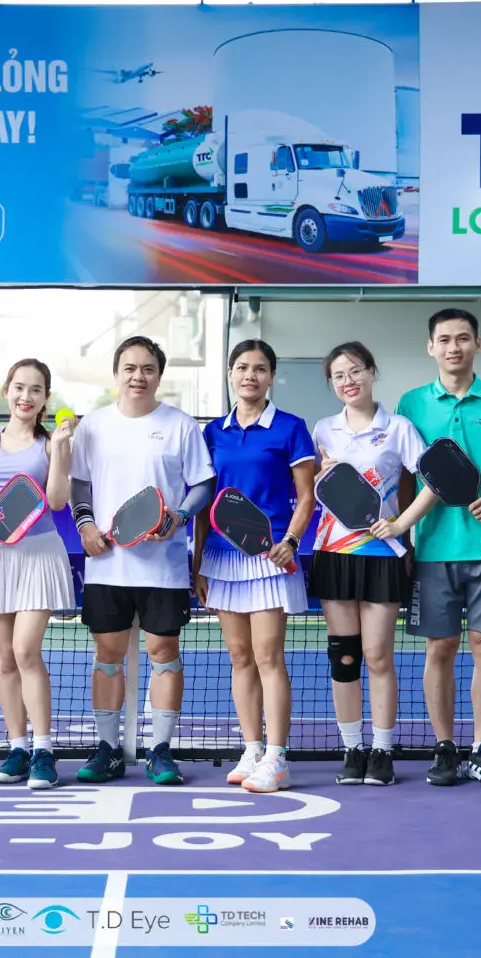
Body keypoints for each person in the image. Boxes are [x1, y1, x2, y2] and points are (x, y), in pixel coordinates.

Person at [71, 336, 214, 787]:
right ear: (117, 374)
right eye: (130, 368)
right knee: (107, 655)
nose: (139, 376)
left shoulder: (181, 426)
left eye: (148, 368)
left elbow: (202, 485)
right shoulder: (92, 426)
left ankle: (161, 750)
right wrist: (86, 527)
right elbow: (79, 485)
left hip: (163, 567)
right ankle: (107, 749)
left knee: (164, 654)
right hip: (107, 565)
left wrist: (180, 516)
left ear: (159, 375)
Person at [396, 308, 481, 788]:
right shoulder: (411, 403)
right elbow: (405, 476)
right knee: (441, 648)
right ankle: (445, 748)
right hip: (433, 547)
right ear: (431, 347)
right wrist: (406, 538)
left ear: (478, 344)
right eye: (445, 339)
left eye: (463, 338)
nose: (454, 347)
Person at [193, 340, 317, 794]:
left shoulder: (290, 427)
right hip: (222, 558)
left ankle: (277, 758)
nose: (250, 375)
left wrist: (290, 542)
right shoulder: (213, 432)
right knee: (240, 656)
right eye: (242, 367)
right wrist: (198, 564)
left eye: (260, 368)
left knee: (268, 656)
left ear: (271, 376)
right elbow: (206, 502)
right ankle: (251, 748)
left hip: (270, 556)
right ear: (230, 374)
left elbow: (306, 496)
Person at [311, 341, 435, 787]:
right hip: (334, 553)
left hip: (381, 555)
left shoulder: (398, 427)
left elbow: (432, 481)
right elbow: (312, 489)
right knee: (344, 656)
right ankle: (353, 749)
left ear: (371, 372)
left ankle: (382, 750)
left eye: (355, 371)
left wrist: (400, 524)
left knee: (378, 655)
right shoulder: (323, 430)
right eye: (339, 375)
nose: (348, 381)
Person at [0, 359, 77, 791]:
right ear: (7, 390)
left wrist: (60, 450)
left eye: (36, 390)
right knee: (6, 658)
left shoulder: (50, 443)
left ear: (46, 398)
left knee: (26, 650)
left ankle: (44, 750)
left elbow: (58, 501)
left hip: (37, 555)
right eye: (19, 387)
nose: (26, 396)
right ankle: (17, 748)